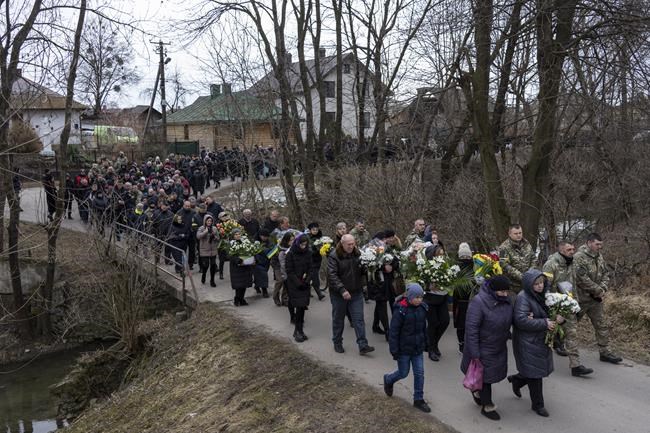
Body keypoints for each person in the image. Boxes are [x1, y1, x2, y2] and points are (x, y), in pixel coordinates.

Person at [461, 275, 513, 421]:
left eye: (507, 291)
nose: (505, 294)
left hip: (498, 345)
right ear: (493, 290)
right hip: (482, 346)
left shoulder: (506, 301)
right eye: (501, 291)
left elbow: (510, 318)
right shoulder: (478, 302)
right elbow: (471, 329)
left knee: (487, 376)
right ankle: (487, 406)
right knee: (485, 378)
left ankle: (477, 392)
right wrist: (474, 352)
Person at [509, 270, 558, 417]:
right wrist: (544, 323)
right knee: (535, 374)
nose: (540, 286)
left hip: (539, 339)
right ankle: (538, 405)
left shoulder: (544, 295)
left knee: (534, 370)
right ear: (529, 285)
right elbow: (520, 320)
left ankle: (517, 380)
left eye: (541, 282)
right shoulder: (523, 298)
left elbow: (550, 313)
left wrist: (559, 318)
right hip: (527, 341)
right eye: (536, 284)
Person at [543, 241, 594, 376]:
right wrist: (551, 310)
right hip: (555, 306)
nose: (572, 251)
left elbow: (576, 283)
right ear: (561, 250)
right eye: (568, 250)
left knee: (572, 333)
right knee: (546, 335)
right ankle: (537, 365)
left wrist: (576, 303)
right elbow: (544, 287)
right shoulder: (551, 264)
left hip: (569, 304)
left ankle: (575, 366)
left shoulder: (573, 262)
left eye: (573, 249)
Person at [573, 233, 623, 365]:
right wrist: (598, 290)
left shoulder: (599, 256)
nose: (599, 247)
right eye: (597, 244)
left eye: (601, 244)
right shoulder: (579, 257)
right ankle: (557, 342)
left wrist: (602, 288)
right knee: (570, 324)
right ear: (589, 242)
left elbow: (605, 273)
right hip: (581, 299)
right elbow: (581, 279)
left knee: (601, 324)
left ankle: (604, 352)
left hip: (595, 300)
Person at [383, 283, 431, 413]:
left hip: (417, 348)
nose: (419, 300)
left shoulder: (422, 308)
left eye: (421, 297)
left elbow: (423, 328)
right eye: (416, 297)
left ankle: (418, 399)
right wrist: (394, 350)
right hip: (403, 350)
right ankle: (388, 379)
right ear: (410, 297)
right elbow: (394, 332)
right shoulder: (401, 311)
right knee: (403, 372)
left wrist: (427, 343)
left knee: (419, 373)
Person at [327, 234, 375, 355]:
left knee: (359, 319)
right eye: (348, 244)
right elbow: (332, 275)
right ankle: (337, 342)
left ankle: (363, 345)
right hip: (339, 294)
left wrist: (367, 266)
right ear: (342, 244)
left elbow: (362, 271)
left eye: (353, 244)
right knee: (338, 319)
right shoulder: (334, 256)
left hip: (356, 292)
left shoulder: (358, 254)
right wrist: (342, 290)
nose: (351, 246)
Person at [423, 244, 450, 361]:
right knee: (433, 323)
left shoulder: (446, 265)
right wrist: (429, 286)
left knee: (445, 321)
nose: (441, 256)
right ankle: (431, 349)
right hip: (430, 299)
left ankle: (433, 343)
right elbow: (419, 282)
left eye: (442, 254)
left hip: (442, 298)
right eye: (439, 254)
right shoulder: (426, 267)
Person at [285, 233, 313, 342]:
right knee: (299, 307)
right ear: (297, 243)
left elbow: (311, 268)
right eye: (301, 244)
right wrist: (298, 283)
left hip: (305, 284)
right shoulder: (290, 254)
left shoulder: (308, 253)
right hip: (294, 284)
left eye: (305, 245)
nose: (303, 247)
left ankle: (298, 330)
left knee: (302, 307)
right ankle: (298, 330)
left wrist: (307, 280)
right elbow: (289, 270)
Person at [498, 224, 535, 292]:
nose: (518, 235)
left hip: (529, 281)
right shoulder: (503, 248)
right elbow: (503, 264)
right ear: (509, 234)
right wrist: (521, 276)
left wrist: (531, 271)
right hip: (513, 285)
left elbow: (533, 258)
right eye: (516, 233)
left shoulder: (526, 243)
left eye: (520, 233)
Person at [453, 242, 475, 354]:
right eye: (462, 256)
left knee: (472, 323)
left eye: (467, 256)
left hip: (472, 300)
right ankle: (461, 343)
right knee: (461, 324)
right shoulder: (456, 268)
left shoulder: (475, 267)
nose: (465, 258)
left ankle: (470, 343)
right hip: (460, 300)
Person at [228, 228, 254, 306]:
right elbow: (230, 255)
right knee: (238, 285)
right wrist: (238, 260)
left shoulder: (245, 242)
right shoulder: (231, 244)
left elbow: (250, 251)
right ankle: (237, 299)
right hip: (236, 267)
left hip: (245, 266)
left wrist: (251, 258)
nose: (238, 235)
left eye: (239, 234)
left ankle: (242, 299)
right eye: (236, 234)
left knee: (244, 284)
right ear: (233, 236)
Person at [196, 214, 220, 287]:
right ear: (205, 221)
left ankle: (212, 280)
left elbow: (218, 238)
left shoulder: (214, 228)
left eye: (210, 221)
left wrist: (214, 237)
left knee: (213, 265)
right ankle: (204, 275)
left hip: (213, 250)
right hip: (204, 250)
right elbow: (198, 236)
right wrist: (205, 232)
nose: (209, 222)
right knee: (206, 265)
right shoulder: (201, 228)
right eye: (208, 221)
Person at [306, 222, 326, 300]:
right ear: (310, 230)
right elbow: (307, 248)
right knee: (314, 276)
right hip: (310, 260)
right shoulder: (307, 237)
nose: (315, 231)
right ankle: (319, 293)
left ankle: (306, 291)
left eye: (316, 230)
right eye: (313, 230)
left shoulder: (320, 237)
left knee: (310, 276)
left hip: (318, 259)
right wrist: (315, 249)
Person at [253, 228, 274, 298]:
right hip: (257, 261)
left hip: (266, 261)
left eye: (266, 237)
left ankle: (257, 285)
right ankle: (264, 290)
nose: (265, 238)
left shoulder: (269, 241)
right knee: (263, 275)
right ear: (260, 235)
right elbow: (253, 251)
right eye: (263, 236)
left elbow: (272, 249)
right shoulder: (255, 241)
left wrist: (263, 250)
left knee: (260, 275)